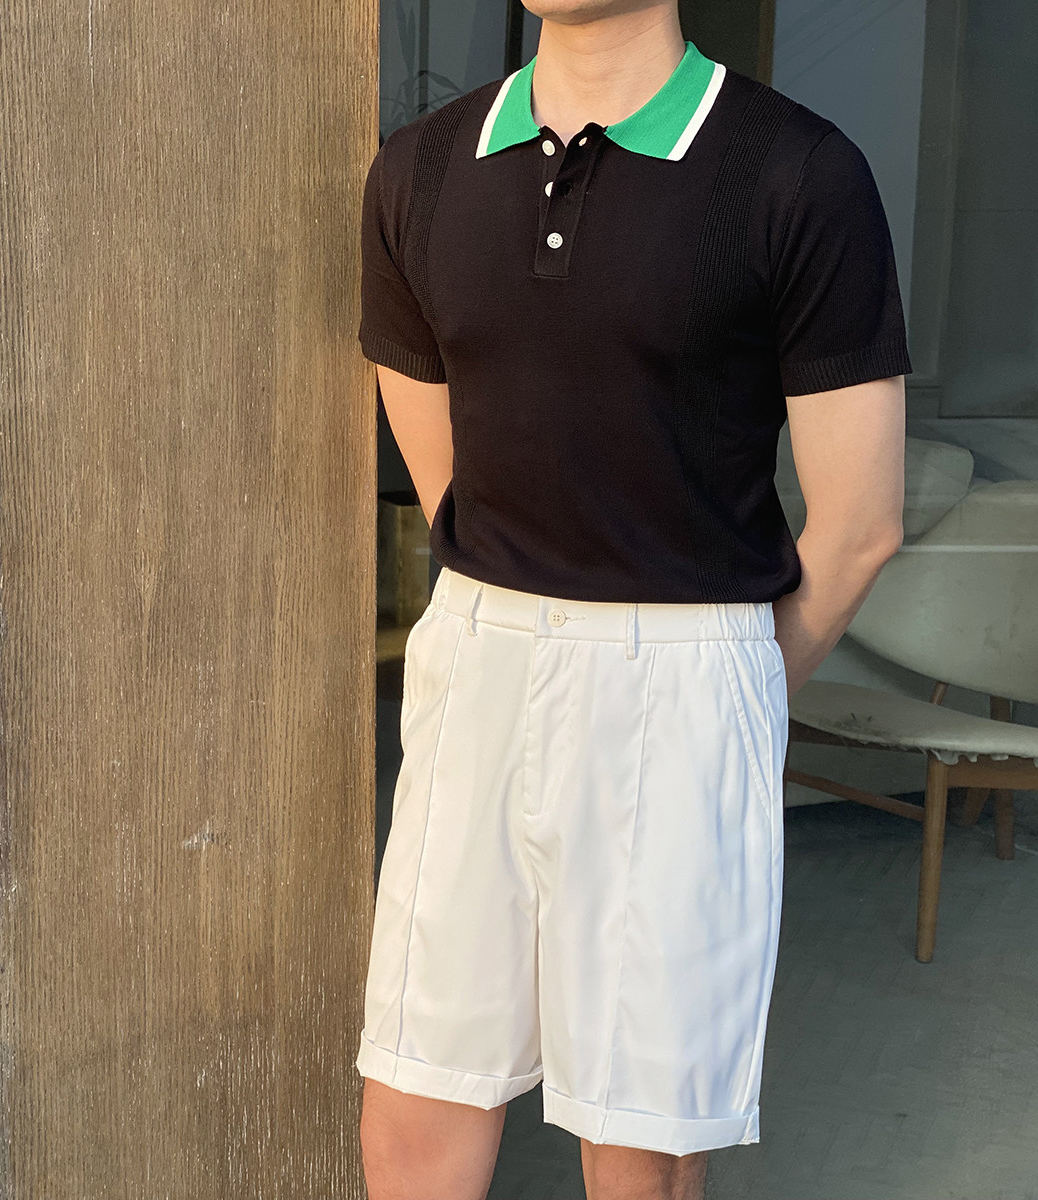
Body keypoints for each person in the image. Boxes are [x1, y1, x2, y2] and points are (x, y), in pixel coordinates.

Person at [355, 1, 910, 1197]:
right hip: (481, 652)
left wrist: (722, 690)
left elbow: (861, 522)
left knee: (639, 1148)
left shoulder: (795, 173)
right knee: (413, 1101)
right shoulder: (421, 170)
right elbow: (455, 490)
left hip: (687, 674)